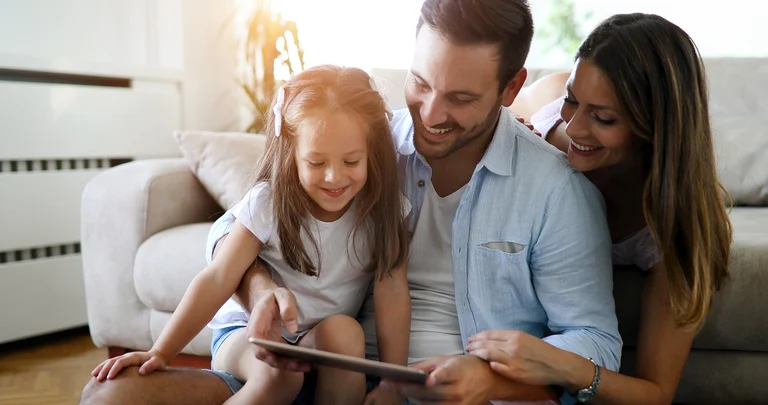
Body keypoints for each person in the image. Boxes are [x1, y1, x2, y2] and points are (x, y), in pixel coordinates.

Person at [78, 1, 622, 404]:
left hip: (436, 392)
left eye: (461, 98)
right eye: (419, 82)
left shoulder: (555, 191)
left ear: (511, 89)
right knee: (107, 397)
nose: (430, 114)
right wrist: (263, 287)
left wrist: (493, 377)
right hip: (297, 362)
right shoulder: (365, 141)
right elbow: (235, 233)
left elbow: (594, 340)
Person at [87, 65, 412, 405]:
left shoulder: (385, 212)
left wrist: (392, 383)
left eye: (351, 161)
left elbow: (392, 292)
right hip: (246, 335)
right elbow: (217, 278)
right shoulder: (267, 202)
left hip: (318, 339)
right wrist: (161, 351)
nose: (334, 177)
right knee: (281, 373)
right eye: (316, 163)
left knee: (346, 333)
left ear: (371, 153)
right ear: (292, 155)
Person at [474, 13, 733, 405]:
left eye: (604, 117)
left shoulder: (673, 228)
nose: (577, 127)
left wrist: (562, 364)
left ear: (655, 126)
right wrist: (507, 130)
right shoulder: (552, 133)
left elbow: (656, 394)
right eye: (574, 102)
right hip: (542, 98)